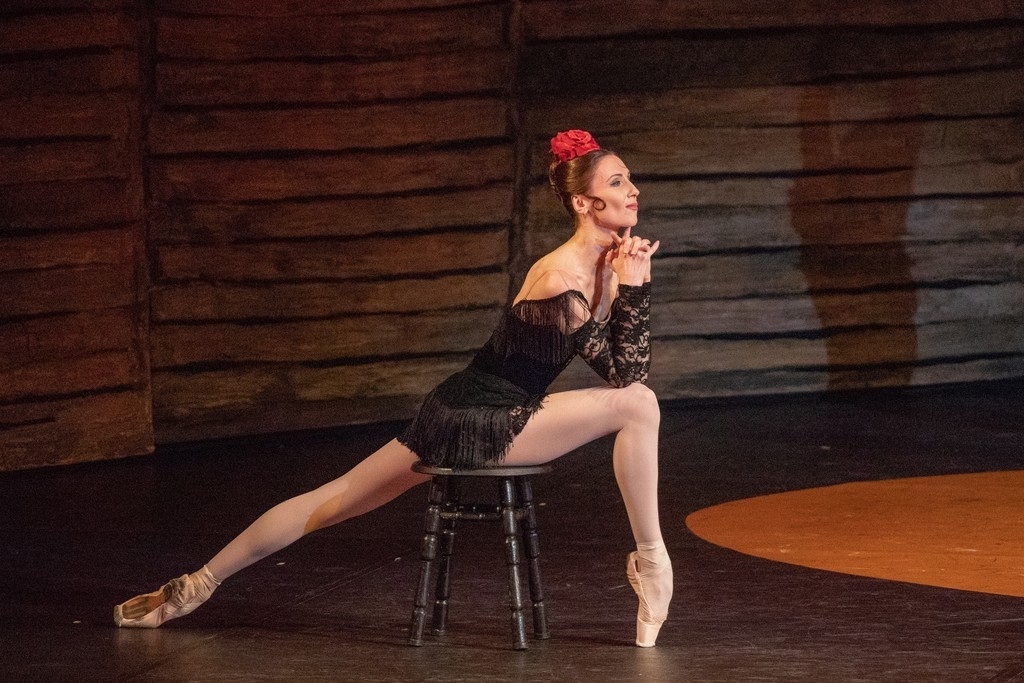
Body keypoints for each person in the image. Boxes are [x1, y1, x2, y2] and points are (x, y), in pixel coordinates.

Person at [114, 129, 673, 647]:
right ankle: (653, 561)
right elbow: (628, 377)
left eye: (629, 179)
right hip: (486, 418)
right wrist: (636, 289)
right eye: (618, 181)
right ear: (583, 202)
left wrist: (628, 282)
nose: (634, 190)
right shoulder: (560, 279)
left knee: (334, 499)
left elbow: (621, 364)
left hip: (463, 407)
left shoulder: (603, 265)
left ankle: (195, 585)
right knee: (638, 404)